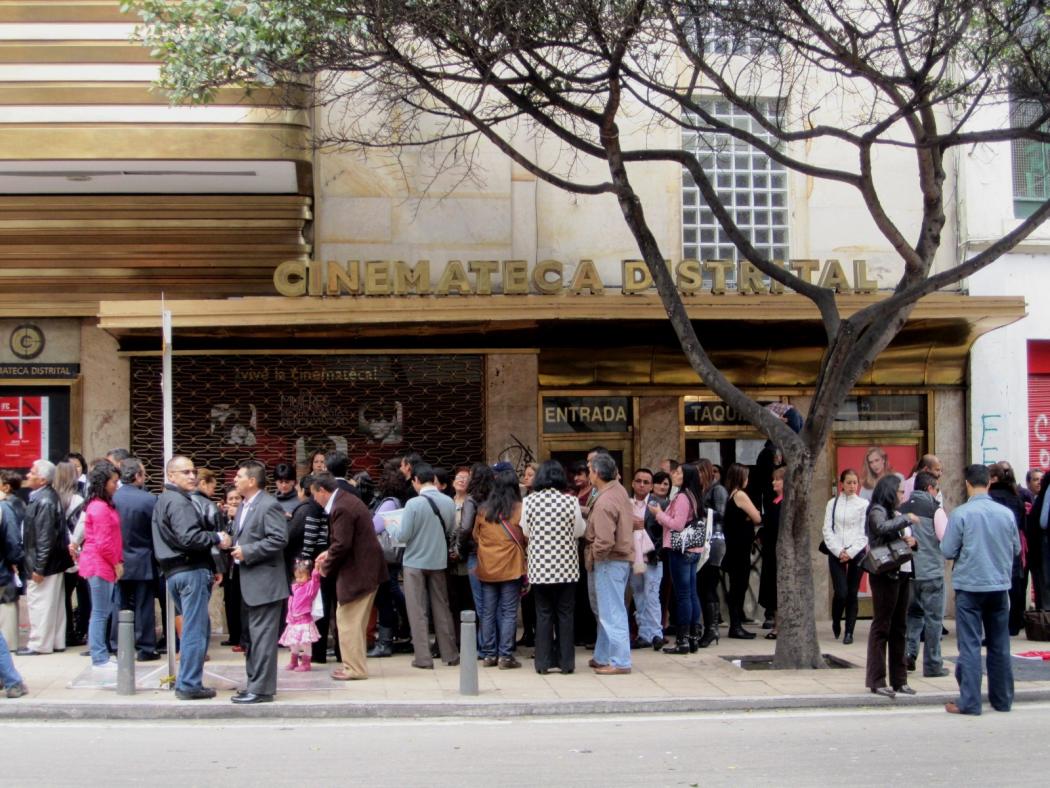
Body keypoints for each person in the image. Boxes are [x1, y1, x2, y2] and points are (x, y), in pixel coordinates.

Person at [942, 464, 1021, 715]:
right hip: (999, 586)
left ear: (967, 484)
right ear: (988, 483)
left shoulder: (961, 514)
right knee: (1000, 644)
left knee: (970, 645)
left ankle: (971, 701)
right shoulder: (1006, 514)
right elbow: (1016, 548)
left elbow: (947, 550)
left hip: (970, 586)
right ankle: (1002, 700)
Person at [152, 455, 231, 700]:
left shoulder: (167, 500)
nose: (191, 476)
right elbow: (189, 538)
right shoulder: (177, 502)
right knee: (195, 630)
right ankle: (188, 684)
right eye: (184, 472)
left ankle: (188, 680)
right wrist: (217, 537)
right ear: (170, 475)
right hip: (188, 570)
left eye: (192, 471)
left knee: (196, 627)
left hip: (177, 572)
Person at [312, 473, 388, 680]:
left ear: (322, 491)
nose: (314, 500)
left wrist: (326, 566)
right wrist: (328, 554)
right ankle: (353, 665)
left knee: (348, 621)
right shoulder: (346, 500)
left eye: (314, 495)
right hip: (366, 569)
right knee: (353, 622)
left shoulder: (341, 507)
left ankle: (355, 668)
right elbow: (346, 541)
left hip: (359, 572)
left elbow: (342, 544)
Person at [385, 462, 459, 669]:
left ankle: (423, 658)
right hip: (438, 560)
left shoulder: (413, 504)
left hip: (414, 563)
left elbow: (403, 535)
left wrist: (391, 528)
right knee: (442, 608)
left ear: (416, 480)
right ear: (433, 480)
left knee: (417, 611)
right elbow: (451, 529)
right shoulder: (448, 502)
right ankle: (450, 654)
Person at [229, 459, 289, 704]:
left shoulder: (268, 505)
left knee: (263, 638)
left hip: (265, 582)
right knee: (252, 638)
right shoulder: (244, 505)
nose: (235, 480)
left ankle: (262, 689)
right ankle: (253, 683)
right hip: (247, 581)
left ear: (252, 481)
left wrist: (248, 551)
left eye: (239, 476)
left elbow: (278, 538)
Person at [521, 460, 585, 674]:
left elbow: (525, 531)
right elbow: (578, 530)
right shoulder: (570, 501)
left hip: (540, 567)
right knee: (565, 614)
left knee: (543, 613)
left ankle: (542, 663)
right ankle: (566, 663)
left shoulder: (530, 501)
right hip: (566, 566)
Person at [864, 474, 920, 698]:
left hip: (903, 571)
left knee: (900, 627)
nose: (902, 495)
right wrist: (906, 518)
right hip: (886, 574)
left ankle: (900, 679)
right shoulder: (878, 510)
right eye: (899, 491)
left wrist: (912, 542)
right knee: (882, 626)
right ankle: (877, 680)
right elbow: (879, 528)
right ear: (889, 491)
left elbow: (904, 539)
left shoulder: (896, 513)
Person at [584, 453, 634, 675]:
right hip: (620, 559)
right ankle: (602, 655)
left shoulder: (605, 501)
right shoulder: (618, 490)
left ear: (596, 473)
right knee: (608, 609)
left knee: (612, 611)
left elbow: (604, 541)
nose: (588, 474)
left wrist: (594, 555)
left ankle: (620, 660)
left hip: (609, 560)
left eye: (589, 470)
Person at [19, 459, 74, 655]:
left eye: (32, 472)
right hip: (53, 562)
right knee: (53, 605)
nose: (28, 475)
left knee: (40, 604)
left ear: (42, 479)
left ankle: (39, 643)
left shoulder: (44, 500)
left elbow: (44, 537)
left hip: (44, 563)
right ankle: (55, 641)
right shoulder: (47, 497)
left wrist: (39, 567)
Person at [474, 468, 526, 669]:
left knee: (487, 611)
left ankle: (488, 655)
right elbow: (526, 536)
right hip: (511, 566)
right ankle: (505, 656)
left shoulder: (483, 510)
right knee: (509, 611)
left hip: (487, 566)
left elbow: (476, 536)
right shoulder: (520, 509)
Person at [652, 463, 704, 653]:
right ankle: (692, 638)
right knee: (690, 593)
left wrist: (659, 515)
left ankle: (682, 640)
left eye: (679, 472)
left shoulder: (682, 497)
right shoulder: (694, 495)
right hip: (693, 549)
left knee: (683, 595)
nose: (674, 474)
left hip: (680, 549)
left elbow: (678, 524)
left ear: (686, 476)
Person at [77, 460, 123, 677]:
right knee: (100, 613)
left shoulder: (99, 505)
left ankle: (100, 654)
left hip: (100, 563)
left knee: (101, 612)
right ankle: (99, 656)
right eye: (113, 481)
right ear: (103, 483)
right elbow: (105, 543)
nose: (116, 485)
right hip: (100, 564)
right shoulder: (100, 507)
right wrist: (116, 564)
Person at [111, 458, 159, 661]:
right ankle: (145, 647)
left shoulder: (112, 498)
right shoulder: (148, 500)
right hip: (142, 559)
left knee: (118, 604)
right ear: (137, 476)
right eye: (144, 473)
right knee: (143, 606)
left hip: (117, 559)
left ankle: (117, 644)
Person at [902, 470, 949, 677]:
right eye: (936, 489)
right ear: (929, 488)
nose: (937, 493)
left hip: (908, 572)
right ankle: (932, 664)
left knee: (912, 616)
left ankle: (908, 656)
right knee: (933, 620)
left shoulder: (902, 509)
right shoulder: (935, 510)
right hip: (931, 573)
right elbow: (945, 539)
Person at [367, 460, 409, 659]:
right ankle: (387, 639)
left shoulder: (388, 503)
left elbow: (374, 527)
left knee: (384, 599)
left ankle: (385, 642)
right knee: (387, 598)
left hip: (384, 559)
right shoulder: (397, 501)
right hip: (390, 559)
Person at [822, 468, 869, 644]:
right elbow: (827, 529)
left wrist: (850, 552)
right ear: (842, 484)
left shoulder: (863, 504)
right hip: (836, 550)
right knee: (840, 592)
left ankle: (849, 631)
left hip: (855, 551)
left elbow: (864, 533)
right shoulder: (832, 503)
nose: (852, 486)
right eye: (849, 482)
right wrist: (838, 550)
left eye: (855, 482)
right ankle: (836, 619)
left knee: (852, 592)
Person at [987, 462, 1027, 636]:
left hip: (992, 548)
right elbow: (1021, 525)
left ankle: (995, 628)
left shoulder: (989, 497)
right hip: (1011, 546)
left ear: (993, 478)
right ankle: (1014, 624)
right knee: (1014, 587)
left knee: (994, 591)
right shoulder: (1016, 496)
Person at [722, 463, 762, 639]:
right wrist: (749, 518)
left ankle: (736, 624)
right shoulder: (740, 495)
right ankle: (736, 625)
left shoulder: (731, 495)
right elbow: (757, 516)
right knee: (739, 586)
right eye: (745, 476)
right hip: (740, 549)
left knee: (737, 586)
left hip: (734, 547)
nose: (748, 480)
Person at [628, 467, 663, 651]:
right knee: (638, 595)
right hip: (633, 557)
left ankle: (656, 633)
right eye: (638, 481)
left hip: (652, 557)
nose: (641, 485)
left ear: (651, 486)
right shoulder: (626, 503)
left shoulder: (659, 504)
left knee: (652, 595)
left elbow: (665, 530)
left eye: (646, 482)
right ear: (633, 483)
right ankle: (644, 633)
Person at [55, 461, 88, 649]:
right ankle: (75, 631)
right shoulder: (77, 500)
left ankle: (65, 632)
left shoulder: (53, 498)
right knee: (81, 594)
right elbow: (80, 528)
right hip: (77, 553)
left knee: (63, 596)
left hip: (58, 554)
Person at [695, 459, 726, 648]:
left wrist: (699, 509)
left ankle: (712, 627)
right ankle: (706, 626)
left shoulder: (718, 490)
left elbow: (721, 514)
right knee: (702, 586)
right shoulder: (701, 491)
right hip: (701, 541)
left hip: (714, 541)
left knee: (709, 585)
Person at [278, 558, 322, 672]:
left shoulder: (309, 588)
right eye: (296, 577)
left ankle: (306, 663)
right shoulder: (294, 587)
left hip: (304, 620)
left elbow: (316, 581)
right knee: (293, 642)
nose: (298, 579)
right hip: (293, 620)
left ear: (308, 576)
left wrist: (316, 570)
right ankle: (293, 661)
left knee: (306, 643)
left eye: (301, 577)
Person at [758, 467, 784, 639]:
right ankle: (776, 623)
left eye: (777, 479)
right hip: (770, 551)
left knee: (778, 589)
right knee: (772, 589)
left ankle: (780, 626)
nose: (774, 482)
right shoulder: (775, 502)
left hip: (779, 553)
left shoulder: (787, 503)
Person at [0, 474, 25, 650]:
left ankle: (8, 648)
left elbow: (12, 539)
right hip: (4, 566)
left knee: (6, 604)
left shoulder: (6, 507)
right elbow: (12, 538)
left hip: (3, 566)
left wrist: (14, 560)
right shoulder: (6, 507)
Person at [219, 486, 245, 651]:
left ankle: (242, 637)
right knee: (229, 600)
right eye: (231, 498)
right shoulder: (222, 517)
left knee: (241, 601)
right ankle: (233, 635)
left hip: (241, 564)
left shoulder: (244, 516)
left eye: (237, 498)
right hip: (228, 566)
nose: (234, 501)